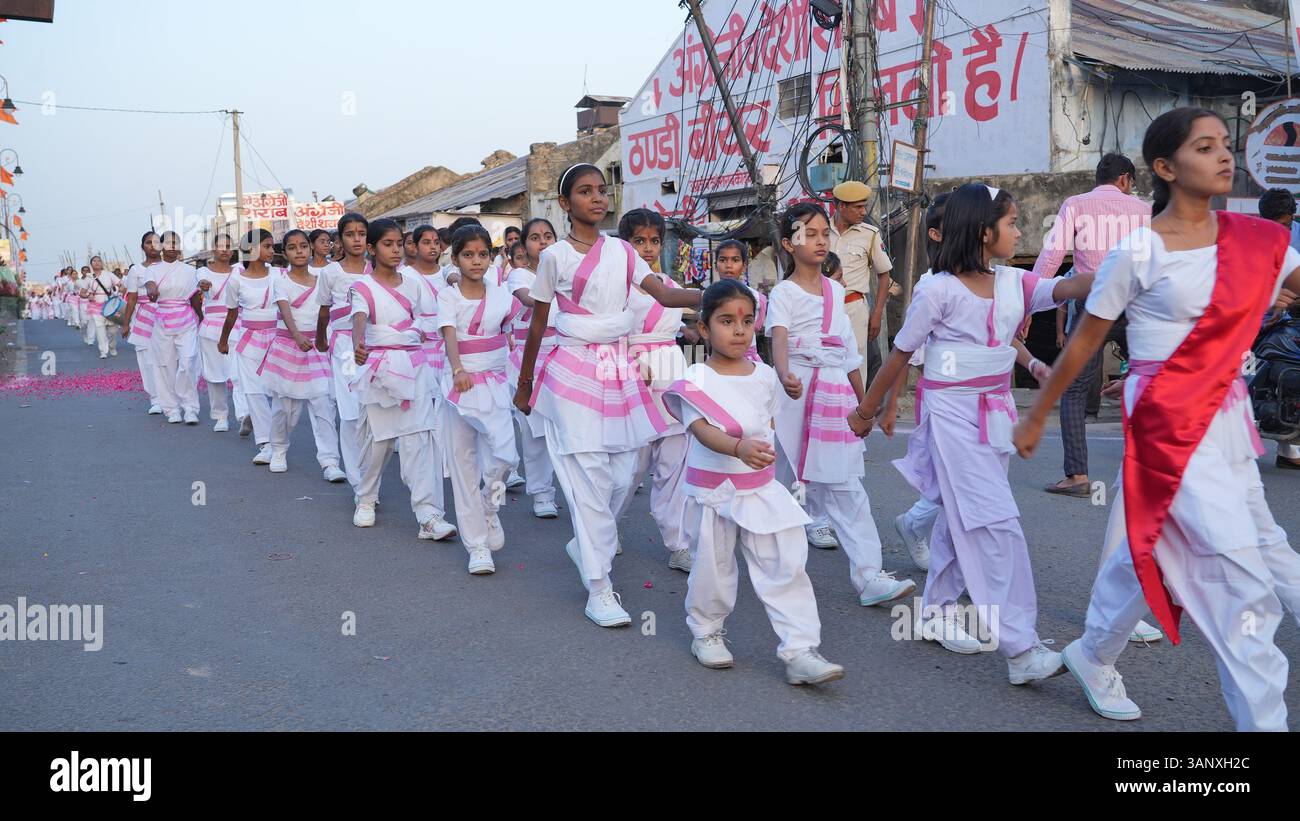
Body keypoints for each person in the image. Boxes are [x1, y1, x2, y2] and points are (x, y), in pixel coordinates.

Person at [1015, 108, 1300, 730]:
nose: (1225, 155)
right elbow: (1084, 345)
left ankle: (1093, 655)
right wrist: (1036, 416)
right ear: (1167, 168)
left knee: (1168, 547)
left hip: (1225, 417)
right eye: (1206, 147)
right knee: (1235, 576)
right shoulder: (1137, 252)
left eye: (1226, 144)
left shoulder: (1256, 241)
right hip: (1167, 423)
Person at [853, 183, 1093, 683]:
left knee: (959, 517)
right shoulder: (937, 289)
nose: (1019, 231)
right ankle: (1021, 648)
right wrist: (870, 410)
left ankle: (938, 613)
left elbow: (1071, 287)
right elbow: (901, 352)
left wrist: (1122, 268)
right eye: (1011, 224)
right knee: (993, 522)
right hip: (950, 415)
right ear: (984, 233)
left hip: (996, 412)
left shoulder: (1013, 282)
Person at [512, 163, 701, 628]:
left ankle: (585, 545)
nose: (597, 198)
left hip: (619, 370)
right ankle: (600, 588)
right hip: (572, 368)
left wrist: (718, 296)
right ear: (564, 204)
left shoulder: (622, 251)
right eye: (584, 191)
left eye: (601, 190)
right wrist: (525, 383)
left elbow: (665, 295)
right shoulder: (554, 256)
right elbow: (539, 323)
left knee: (620, 477)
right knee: (589, 480)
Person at [664, 278, 844, 684]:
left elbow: (770, 421)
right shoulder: (696, 377)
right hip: (714, 490)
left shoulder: (764, 375)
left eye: (746, 321)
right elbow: (700, 429)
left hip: (760, 489)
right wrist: (737, 448)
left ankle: (800, 651)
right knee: (713, 568)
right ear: (705, 329)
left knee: (786, 564)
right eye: (726, 321)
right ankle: (706, 632)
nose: (739, 329)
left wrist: (761, 452)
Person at [1032, 153, 1151, 497]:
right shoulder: (1145, 209)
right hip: (1139, 302)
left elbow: (1052, 256)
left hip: (1094, 302)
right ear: (1126, 179)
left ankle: (1077, 476)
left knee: (1072, 387)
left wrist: (1027, 304)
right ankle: (1149, 469)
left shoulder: (1076, 203)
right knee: (1151, 377)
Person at [349, 219, 444, 538]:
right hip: (381, 369)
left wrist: (412, 336)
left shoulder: (413, 283)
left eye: (398, 244)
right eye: (387, 244)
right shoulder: (361, 287)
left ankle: (427, 514)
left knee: (418, 438)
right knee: (381, 442)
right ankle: (366, 497)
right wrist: (359, 343)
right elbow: (359, 318)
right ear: (373, 249)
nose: (395, 250)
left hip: (414, 366)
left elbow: (424, 320)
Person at [439, 224, 520, 573]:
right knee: (463, 462)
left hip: (496, 380)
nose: (476, 261)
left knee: (504, 454)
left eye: (482, 254)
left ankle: (491, 505)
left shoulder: (502, 293)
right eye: (468, 255)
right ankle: (477, 547)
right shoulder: (449, 296)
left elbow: (508, 325)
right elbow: (449, 333)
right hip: (462, 383)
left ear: (491, 256)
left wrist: (510, 338)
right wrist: (458, 369)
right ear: (456, 258)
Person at [617, 208, 692, 573]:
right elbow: (610, 338)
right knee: (629, 467)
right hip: (631, 377)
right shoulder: (614, 291)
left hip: (671, 374)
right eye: (639, 241)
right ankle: (602, 529)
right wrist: (632, 362)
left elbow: (681, 330)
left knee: (674, 466)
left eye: (654, 241)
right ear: (624, 246)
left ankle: (678, 543)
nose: (648, 248)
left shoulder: (673, 287)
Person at [261, 230, 344, 481]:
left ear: (310, 249)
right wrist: (297, 336)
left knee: (323, 404)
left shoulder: (322, 278)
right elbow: (285, 311)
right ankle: (278, 449)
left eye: (303, 246)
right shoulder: (280, 281)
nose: (299, 251)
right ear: (284, 253)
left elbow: (326, 312)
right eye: (292, 247)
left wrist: (322, 339)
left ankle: (330, 461)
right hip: (288, 347)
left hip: (316, 348)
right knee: (285, 408)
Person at [507, 218, 560, 518]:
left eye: (548, 236)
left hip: (566, 358)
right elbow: (531, 301)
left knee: (567, 431)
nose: (542, 242)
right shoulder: (519, 277)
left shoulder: (569, 274)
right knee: (535, 431)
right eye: (536, 237)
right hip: (531, 358)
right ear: (525, 246)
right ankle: (542, 494)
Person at [314, 213, 371, 490]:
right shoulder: (330, 273)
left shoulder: (378, 271)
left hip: (376, 346)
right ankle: (358, 482)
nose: (357, 239)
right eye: (350, 234)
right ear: (340, 239)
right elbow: (324, 311)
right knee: (350, 412)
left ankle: (371, 477)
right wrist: (320, 339)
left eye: (361, 233)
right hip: (346, 348)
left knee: (371, 411)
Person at [218, 229, 280, 463]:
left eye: (272, 246)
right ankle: (266, 444)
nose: (272, 250)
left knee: (277, 392)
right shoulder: (236, 279)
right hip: (249, 340)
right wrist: (223, 340)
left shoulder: (279, 275)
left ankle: (279, 441)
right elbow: (232, 314)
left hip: (277, 338)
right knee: (254, 391)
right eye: (267, 246)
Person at [828, 180, 893, 388]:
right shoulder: (819, 231)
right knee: (826, 365)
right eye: (857, 207)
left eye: (864, 205)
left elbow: (884, 274)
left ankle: (856, 415)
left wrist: (877, 314)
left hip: (855, 309)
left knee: (856, 365)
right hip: (824, 309)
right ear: (840, 206)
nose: (863, 211)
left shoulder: (870, 234)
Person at [1257, 188, 1300, 471]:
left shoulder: (1295, 240)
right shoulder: (1248, 240)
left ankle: (1290, 446)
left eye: (1286, 225)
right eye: (1276, 226)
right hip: (1253, 321)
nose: (1282, 231)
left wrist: (1291, 301)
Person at [197, 235, 246, 432]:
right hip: (210, 329)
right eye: (220, 247)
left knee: (238, 373)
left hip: (236, 325)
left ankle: (243, 414)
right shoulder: (202, 271)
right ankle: (220, 416)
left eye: (228, 246)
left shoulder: (240, 270)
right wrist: (205, 284)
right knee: (215, 375)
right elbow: (202, 283)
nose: (225, 250)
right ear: (212, 250)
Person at [121, 233, 165, 414]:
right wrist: (126, 324)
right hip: (143, 317)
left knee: (169, 356)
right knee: (147, 358)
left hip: (167, 314)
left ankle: (171, 396)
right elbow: (132, 298)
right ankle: (155, 399)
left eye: (156, 242)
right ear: (142, 247)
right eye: (149, 243)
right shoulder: (136, 270)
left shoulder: (169, 267)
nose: (152, 246)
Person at [714, 239, 766, 363]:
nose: (728, 265)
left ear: (744, 265)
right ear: (715, 264)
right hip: (718, 359)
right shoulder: (709, 297)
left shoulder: (757, 298)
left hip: (748, 359)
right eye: (723, 260)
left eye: (735, 260)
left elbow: (757, 327)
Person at [86, 256, 121, 359]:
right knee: (100, 328)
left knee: (113, 330)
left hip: (110, 305)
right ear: (91, 264)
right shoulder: (89, 278)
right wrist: (88, 295)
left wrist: (118, 293)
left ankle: (112, 347)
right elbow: (82, 292)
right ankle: (103, 351)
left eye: (99, 261)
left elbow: (122, 285)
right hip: (96, 306)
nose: (96, 263)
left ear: (102, 263)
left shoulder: (109, 275)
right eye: (94, 261)